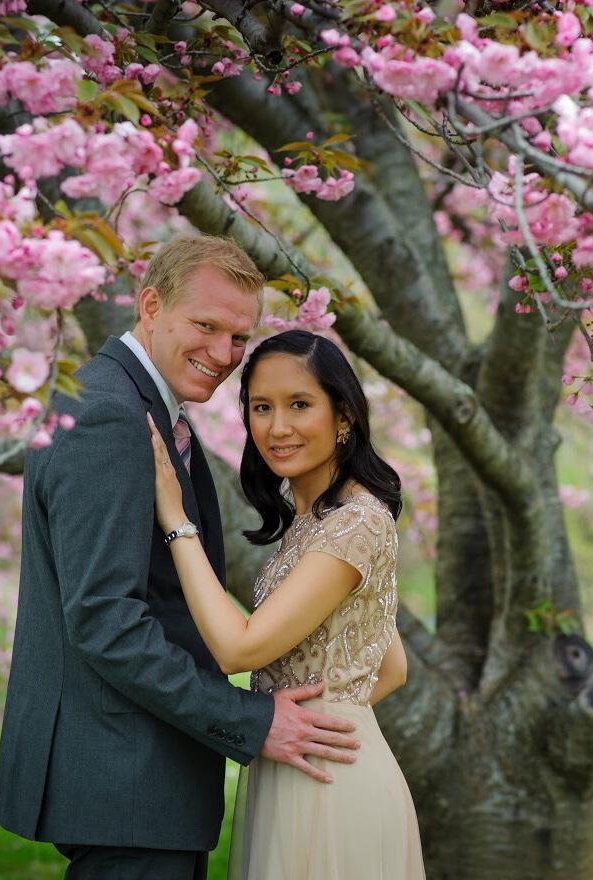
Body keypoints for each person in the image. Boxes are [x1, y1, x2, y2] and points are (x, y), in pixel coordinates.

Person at [0, 235, 360, 880]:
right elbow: (106, 620)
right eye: (207, 326)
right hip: (125, 778)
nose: (223, 356)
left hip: (137, 777)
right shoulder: (112, 419)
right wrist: (247, 720)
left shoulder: (136, 408)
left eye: (239, 339)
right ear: (151, 305)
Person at [148, 328, 426, 879]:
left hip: (333, 786)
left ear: (343, 414)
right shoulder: (315, 520)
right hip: (302, 762)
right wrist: (317, 716)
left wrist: (176, 520)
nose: (278, 427)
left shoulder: (356, 524)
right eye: (262, 408)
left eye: (300, 405)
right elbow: (391, 665)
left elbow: (237, 650)